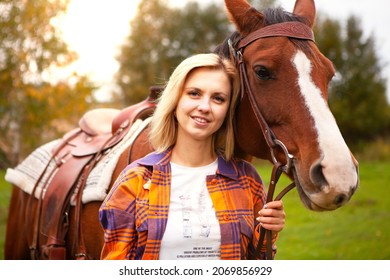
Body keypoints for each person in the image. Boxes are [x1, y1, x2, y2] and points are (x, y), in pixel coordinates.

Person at [99, 53, 285, 260]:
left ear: (227, 111)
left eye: (218, 98)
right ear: (175, 100)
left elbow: (258, 262)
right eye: (194, 93)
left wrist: (269, 230)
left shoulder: (247, 180)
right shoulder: (135, 180)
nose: (205, 107)